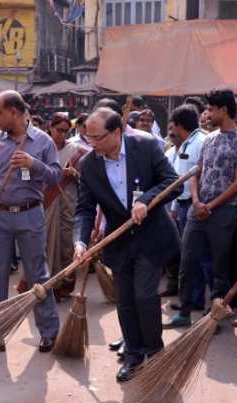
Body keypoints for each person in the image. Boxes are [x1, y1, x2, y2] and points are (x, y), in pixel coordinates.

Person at [73, 108, 178, 380]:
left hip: (151, 237)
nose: (92, 144)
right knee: (125, 300)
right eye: (88, 138)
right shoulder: (88, 165)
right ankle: (133, 355)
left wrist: (147, 200)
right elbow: (84, 210)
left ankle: (155, 352)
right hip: (118, 242)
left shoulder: (145, 147)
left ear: (117, 132)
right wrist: (80, 242)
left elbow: (173, 182)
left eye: (97, 138)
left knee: (144, 296)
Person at [0, 90, 62, 352]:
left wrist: (34, 164)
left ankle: (48, 331)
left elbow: (56, 177)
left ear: (14, 112)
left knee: (38, 273)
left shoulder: (43, 142)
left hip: (30, 214)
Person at [166, 88, 237, 328]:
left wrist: (210, 205)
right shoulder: (209, 139)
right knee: (188, 261)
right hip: (198, 209)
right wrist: (196, 201)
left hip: (222, 213)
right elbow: (196, 173)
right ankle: (184, 311)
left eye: (211, 109)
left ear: (224, 110)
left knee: (218, 266)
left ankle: (213, 316)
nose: (208, 113)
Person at [164, 105, 209, 303]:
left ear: (182, 126)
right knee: (188, 254)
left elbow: (200, 176)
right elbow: (179, 178)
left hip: (195, 203)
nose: (172, 132)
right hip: (182, 204)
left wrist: (197, 202)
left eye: (174, 127)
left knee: (198, 255)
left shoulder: (202, 142)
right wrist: (175, 207)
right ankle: (193, 298)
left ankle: (202, 298)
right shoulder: (185, 144)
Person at [45, 113, 88, 298]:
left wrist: (75, 174)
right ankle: (49, 286)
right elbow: (26, 175)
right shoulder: (40, 148)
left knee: (67, 245)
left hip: (70, 202)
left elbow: (87, 179)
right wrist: (48, 175)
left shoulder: (77, 151)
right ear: (50, 128)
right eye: (58, 130)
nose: (61, 134)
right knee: (47, 244)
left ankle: (65, 284)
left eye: (65, 131)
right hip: (46, 201)